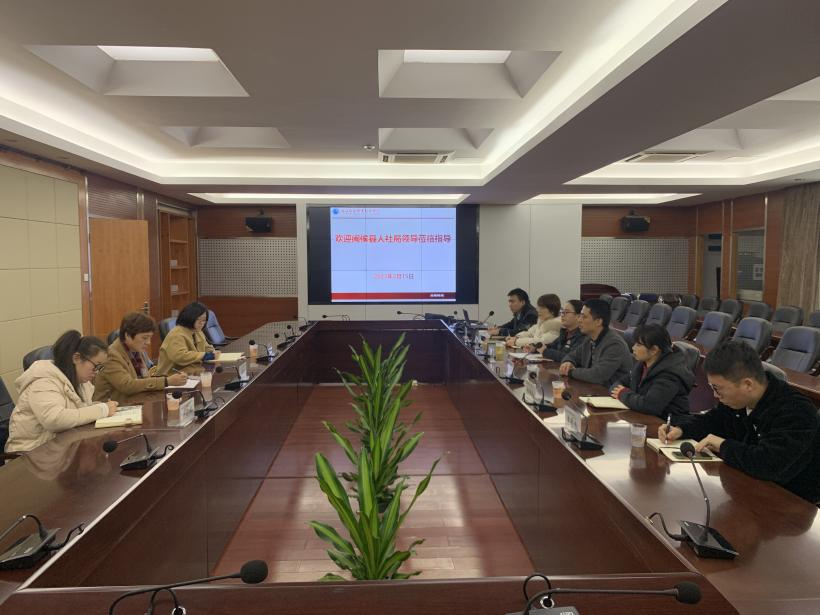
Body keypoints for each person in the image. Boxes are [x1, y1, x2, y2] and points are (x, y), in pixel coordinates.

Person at [659, 340, 820, 503]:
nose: (715, 395)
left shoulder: (796, 410)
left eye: (717, 388)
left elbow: (768, 464)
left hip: (791, 500)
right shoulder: (738, 400)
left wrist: (723, 445)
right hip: (746, 483)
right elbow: (712, 421)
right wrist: (681, 429)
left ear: (747, 384)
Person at [5, 331, 117, 453]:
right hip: (30, 454)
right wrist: (101, 410)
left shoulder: (81, 382)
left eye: (100, 368)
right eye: (96, 366)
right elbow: (54, 419)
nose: (97, 372)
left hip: (60, 449)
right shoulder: (43, 380)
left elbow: (77, 412)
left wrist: (97, 407)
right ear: (76, 358)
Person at [94, 312, 188, 403]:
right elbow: (127, 386)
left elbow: (144, 378)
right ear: (127, 335)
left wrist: (169, 378)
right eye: (144, 338)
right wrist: (166, 381)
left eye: (150, 337)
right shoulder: (111, 355)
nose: (148, 342)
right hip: (113, 408)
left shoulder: (136, 350)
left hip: (136, 401)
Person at [610, 324, 693, 418]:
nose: (633, 348)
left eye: (638, 345)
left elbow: (650, 406)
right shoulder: (643, 364)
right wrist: (629, 396)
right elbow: (618, 383)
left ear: (654, 350)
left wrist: (623, 394)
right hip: (643, 417)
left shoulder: (670, 374)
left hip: (668, 423)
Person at [559, 299, 633, 387]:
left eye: (584, 317)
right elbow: (571, 355)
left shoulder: (614, 344)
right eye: (580, 316)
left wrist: (570, 372)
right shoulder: (589, 338)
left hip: (609, 392)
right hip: (592, 388)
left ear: (598, 322)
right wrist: (568, 362)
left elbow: (597, 376)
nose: (579, 320)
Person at [155, 302, 220, 375]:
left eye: (204, 320)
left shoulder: (197, 331)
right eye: (199, 319)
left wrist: (213, 352)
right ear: (189, 317)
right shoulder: (176, 334)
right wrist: (205, 355)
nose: (202, 323)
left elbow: (206, 347)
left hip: (191, 371)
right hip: (172, 375)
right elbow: (180, 356)